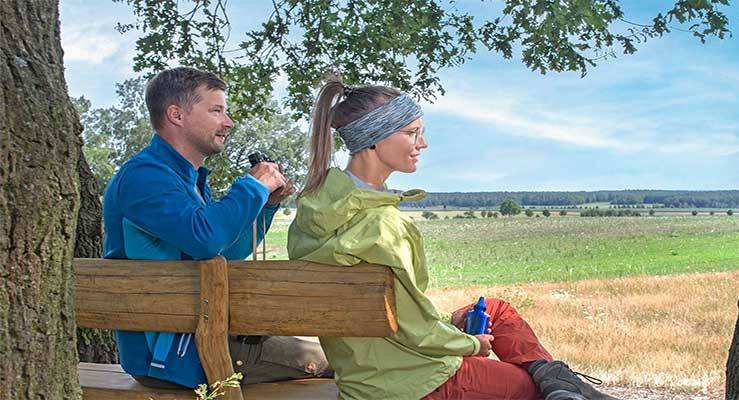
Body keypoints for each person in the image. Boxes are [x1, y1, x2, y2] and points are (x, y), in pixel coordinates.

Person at [287, 78, 616, 400]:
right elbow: (414, 329)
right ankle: (563, 389)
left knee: (495, 311)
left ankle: (563, 387)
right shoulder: (383, 226)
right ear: (375, 138)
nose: (423, 143)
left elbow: (399, 314)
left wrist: (449, 323)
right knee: (532, 388)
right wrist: (472, 345)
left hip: (365, 370)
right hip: (413, 382)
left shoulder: (312, 214)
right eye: (412, 132)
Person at [102, 67, 330, 389]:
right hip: (175, 357)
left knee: (341, 354)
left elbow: (225, 252)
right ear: (176, 115)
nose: (228, 122)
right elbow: (206, 237)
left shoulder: (185, 179)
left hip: (203, 337)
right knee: (341, 363)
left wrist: (264, 206)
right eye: (217, 110)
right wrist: (252, 187)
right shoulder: (145, 178)